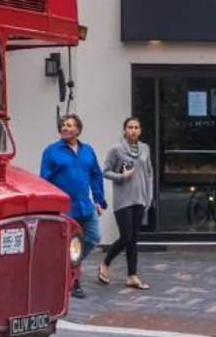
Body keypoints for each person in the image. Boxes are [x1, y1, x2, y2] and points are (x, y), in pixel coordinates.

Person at [40, 114, 106, 296]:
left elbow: (96, 175)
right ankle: (74, 281)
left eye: (69, 125)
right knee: (67, 243)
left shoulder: (88, 150)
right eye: (63, 125)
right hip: (64, 208)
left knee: (93, 237)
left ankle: (66, 267)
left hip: (85, 205)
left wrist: (99, 200)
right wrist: (49, 205)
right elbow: (44, 180)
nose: (64, 128)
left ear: (78, 130)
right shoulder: (51, 151)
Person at [98, 116, 154, 289]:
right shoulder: (116, 149)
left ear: (140, 130)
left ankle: (132, 275)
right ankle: (105, 264)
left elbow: (149, 173)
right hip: (123, 200)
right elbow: (105, 172)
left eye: (136, 127)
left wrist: (149, 197)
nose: (133, 130)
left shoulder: (145, 148)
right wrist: (122, 176)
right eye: (130, 127)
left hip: (140, 199)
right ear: (125, 130)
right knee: (126, 236)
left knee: (134, 239)